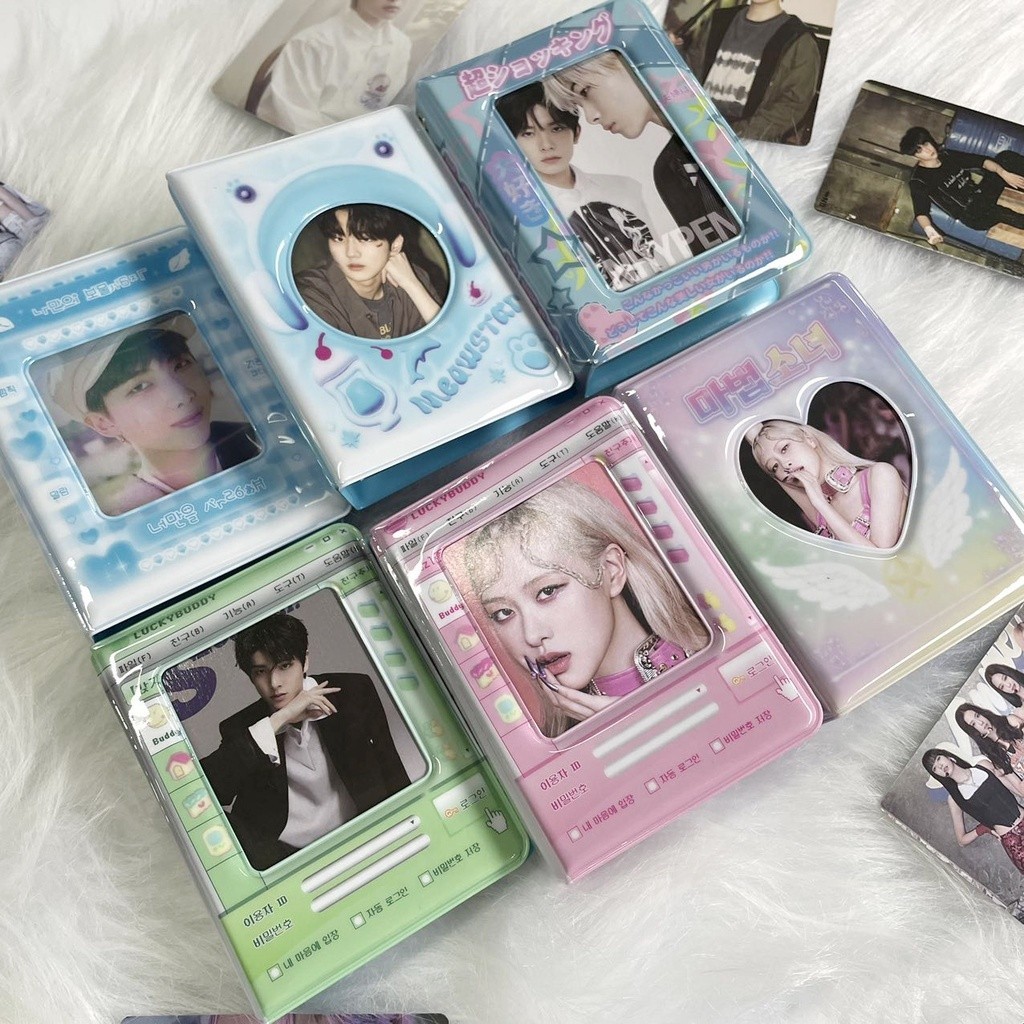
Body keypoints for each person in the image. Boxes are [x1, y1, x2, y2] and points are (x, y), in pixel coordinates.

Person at [462, 477, 709, 737]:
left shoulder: (723, 646)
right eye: (503, 613)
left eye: (547, 591)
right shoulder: (549, 743)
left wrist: (640, 729)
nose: (532, 636)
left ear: (612, 570)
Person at [200, 612, 412, 870]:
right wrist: (279, 719)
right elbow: (202, 794)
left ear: (305, 661)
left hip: (360, 829)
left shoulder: (352, 690)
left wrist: (410, 823)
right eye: (261, 672)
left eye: (285, 666)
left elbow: (389, 761)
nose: (274, 684)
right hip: (285, 855)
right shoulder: (241, 727)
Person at [544, 52, 740, 258]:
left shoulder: (728, 127)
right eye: (579, 106)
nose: (591, 117)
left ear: (625, 60)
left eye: (585, 90)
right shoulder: (668, 171)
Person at [48, 326, 260, 516]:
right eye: (139, 387)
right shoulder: (132, 516)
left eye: (181, 364)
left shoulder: (258, 438)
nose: (181, 395)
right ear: (103, 423)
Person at [496, 83, 667, 288]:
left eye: (556, 128)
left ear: (576, 132)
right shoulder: (517, 217)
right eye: (528, 133)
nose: (546, 145)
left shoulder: (625, 188)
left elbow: (660, 257)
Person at [254, 0, 412, 135]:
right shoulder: (314, 42)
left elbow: (386, 108)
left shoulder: (401, 45)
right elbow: (293, 114)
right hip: (298, 136)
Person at [744, 420, 908, 549]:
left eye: (785, 448)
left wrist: (821, 504)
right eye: (774, 466)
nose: (785, 466)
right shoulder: (817, 508)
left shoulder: (880, 475)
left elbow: (880, 559)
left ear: (809, 439)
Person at [680, 0, 821, 144]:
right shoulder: (718, 20)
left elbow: (791, 106)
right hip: (692, 130)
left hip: (744, 145)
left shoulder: (799, 40)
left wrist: (730, 134)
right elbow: (689, 72)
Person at [294, 204, 442, 340]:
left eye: (366, 238)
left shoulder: (411, 278)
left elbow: (449, 343)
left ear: (395, 246)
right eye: (338, 238)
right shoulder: (309, 296)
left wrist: (413, 286)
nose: (351, 253)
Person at [898, 127, 1024, 246]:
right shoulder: (919, 180)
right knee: (1000, 213)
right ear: (915, 156)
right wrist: (929, 230)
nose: (927, 150)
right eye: (920, 150)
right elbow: (921, 212)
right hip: (972, 214)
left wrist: (1004, 173)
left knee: (1005, 158)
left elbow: (983, 162)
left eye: (926, 144)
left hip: (980, 194)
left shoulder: (946, 156)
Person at [922, 749, 1024, 873]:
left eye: (938, 759)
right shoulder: (955, 799)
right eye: (935, 768)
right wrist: (983, 829)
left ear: (948, 756)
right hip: (1013, 841)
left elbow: (1017, 789)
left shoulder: (984, 765)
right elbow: (961, 840)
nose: (940, 766)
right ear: (937, 775)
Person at [955, 703, 1024, 780]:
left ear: (982, 713)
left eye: (977, 716)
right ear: (973, 731)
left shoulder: (1010, 722)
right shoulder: (993, 754)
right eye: (974, 724)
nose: (981, 722)